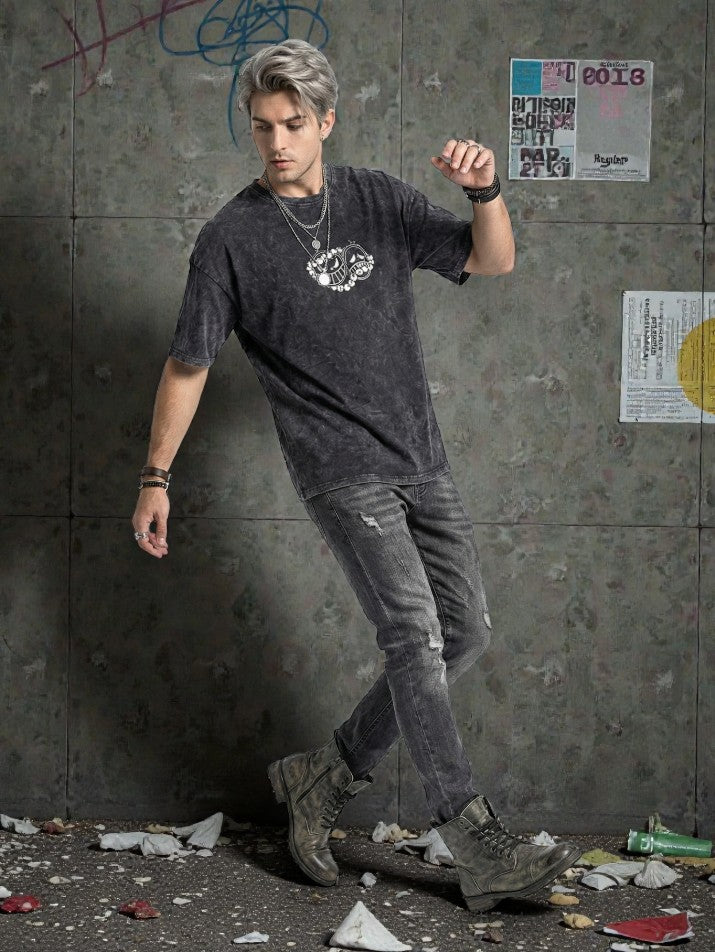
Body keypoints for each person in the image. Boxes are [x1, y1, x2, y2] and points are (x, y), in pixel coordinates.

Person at [131, 39, 580, 912]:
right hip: (340, 471)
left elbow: (490, 259)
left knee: (464, 632)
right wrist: (156, 476)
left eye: (293, 124)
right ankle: (473, 839)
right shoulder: (230, 239)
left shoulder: (377, 199)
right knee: (413, 632)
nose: (276, 142)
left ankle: (325, 775)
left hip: (421, 459)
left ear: (326, 122)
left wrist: (484, 191)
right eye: (262, 125)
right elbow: (188, 365)